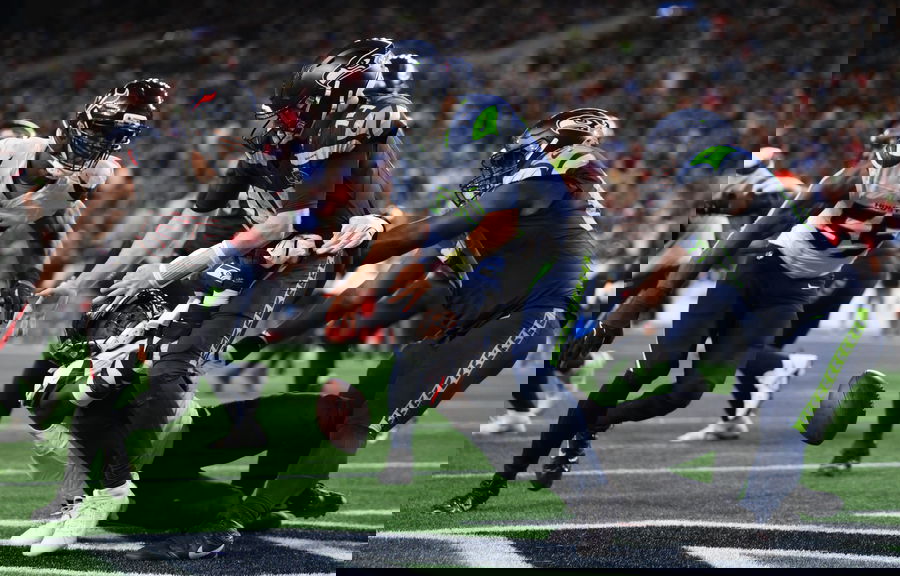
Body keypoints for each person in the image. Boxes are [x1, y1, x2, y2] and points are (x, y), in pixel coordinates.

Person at [12, 38, 418, 557]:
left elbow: (296, 228)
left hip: (247, 275)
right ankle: (198, 496)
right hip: (209, 279)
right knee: (114, 382)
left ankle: (235, 499)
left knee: (161, 370)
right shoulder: (280, 160)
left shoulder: (340, 163)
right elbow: (198, 219)